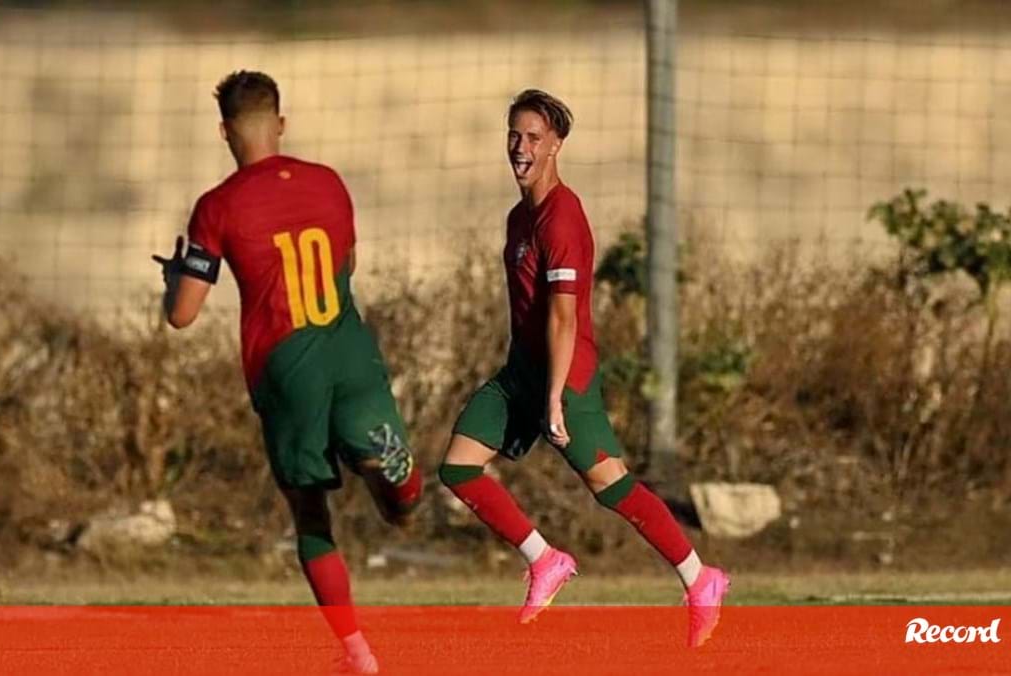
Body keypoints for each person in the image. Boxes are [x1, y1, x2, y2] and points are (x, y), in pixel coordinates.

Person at [437, 89, 730, 647]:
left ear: (556, 147)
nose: (520, 148)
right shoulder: (517, 218)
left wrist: (552, 399)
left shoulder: (562, 217)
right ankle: (545, 559)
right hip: (520, 371)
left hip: (562, 377)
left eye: (534, 139)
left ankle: (701, 579)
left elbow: (565, 319)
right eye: (514, 136)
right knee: (459, 468)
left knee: (609, 484)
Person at [153, 70, 423, 673]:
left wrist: (174, 278)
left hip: (286, 369)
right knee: (399, 514)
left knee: (309, 513)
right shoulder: (328, 183)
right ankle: (392, 474)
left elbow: (183, 315)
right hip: (350, 351)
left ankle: (357, 654)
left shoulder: (217, 206)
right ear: (281, 123)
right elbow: (347, 262)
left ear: (224, 131)